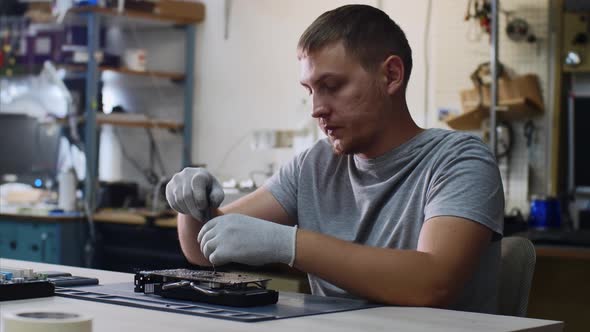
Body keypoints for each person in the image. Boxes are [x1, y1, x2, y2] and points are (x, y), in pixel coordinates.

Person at [166, 4, 504, 314]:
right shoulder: (316, 164)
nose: (316, 109)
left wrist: (290, 244)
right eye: (310, 90)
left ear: (391, 75)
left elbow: (433, 283)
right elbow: (202, 248)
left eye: (331, 85)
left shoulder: (459, 161)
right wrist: (192, 205)